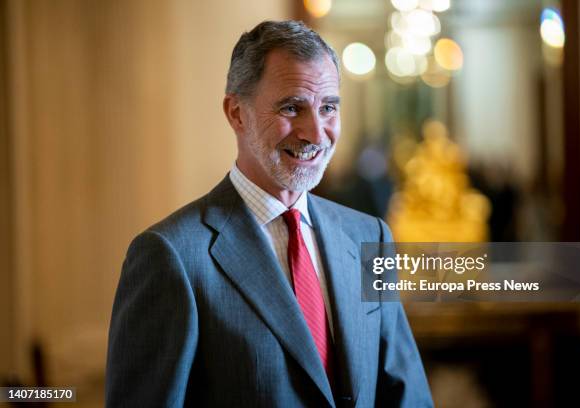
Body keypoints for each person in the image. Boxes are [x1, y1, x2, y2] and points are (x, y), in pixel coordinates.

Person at [105, 20, 432, 407]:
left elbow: (405, 394)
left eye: (328, 107)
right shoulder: (171, 255)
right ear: (236, 113)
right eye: (292, 108)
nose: (315, 132)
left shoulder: (368, 237)